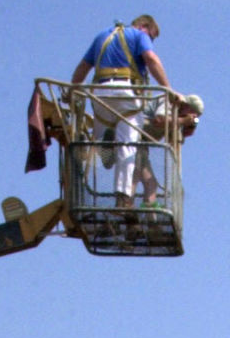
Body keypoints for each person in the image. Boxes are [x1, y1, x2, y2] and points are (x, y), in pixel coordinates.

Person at [71, 16, 169, 210]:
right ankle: (123, 198)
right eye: (152, 36)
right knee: (128, 144)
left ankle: (100, 142)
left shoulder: (101, 36)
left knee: (100, 135)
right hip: (125, 94)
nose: (150, 41)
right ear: (143, 26)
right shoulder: (139, 35)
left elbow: (83, 68)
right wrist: (168, 88)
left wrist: (71, 91)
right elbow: (151, 58)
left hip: (99, 94)